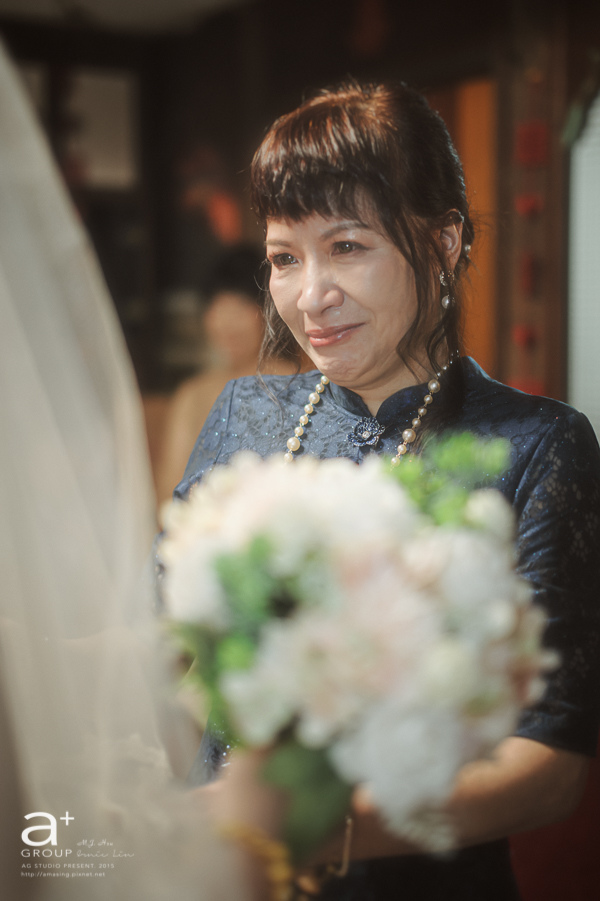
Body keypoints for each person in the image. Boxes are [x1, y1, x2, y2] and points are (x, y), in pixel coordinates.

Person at [173, 81, 600, 900]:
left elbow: (549, 767)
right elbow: (162, 629)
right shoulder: (244, 414)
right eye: (285, 257)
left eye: (346, 246)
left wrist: (312, 829)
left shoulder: (537, 445)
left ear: (442, 242)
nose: (310, 296)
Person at [156, 244, 295, 507]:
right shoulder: (193, 394)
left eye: (240, 308)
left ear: (268, 311)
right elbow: (169, 491)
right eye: (218, 308)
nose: (228, 323)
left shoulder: (297, 385)